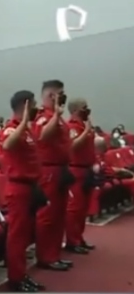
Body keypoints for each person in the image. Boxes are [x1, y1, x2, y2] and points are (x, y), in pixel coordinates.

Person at [0, 91, 47, 292]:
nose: (37, 108)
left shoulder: (27, 130)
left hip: (31, 187)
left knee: (26, 235)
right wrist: (24, 122)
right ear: (25, 106)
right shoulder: (11, 128)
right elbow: (7, 145)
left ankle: (22, 274)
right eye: (34, 104)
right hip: (18, 188)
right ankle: (15, 279)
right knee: (17, 237)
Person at [32, 80, 74, 271]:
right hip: (49, 171)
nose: (63, 97)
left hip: (62, 169)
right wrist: (56, 115)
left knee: (59, 214)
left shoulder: (59, 117)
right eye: (60, 94)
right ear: (51, 96)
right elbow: (42, 135)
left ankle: (54, 254)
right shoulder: (43, 116)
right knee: (48, 216)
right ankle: (45, 256)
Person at [65, 98, 96, 253]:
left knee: (83, 208)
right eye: (84, 107)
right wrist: (85, 132)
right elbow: (73, 145)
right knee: (75, 208)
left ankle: (79, 237)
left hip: (87, 169)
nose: (87, 110)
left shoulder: (84, 125)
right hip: (76, 170)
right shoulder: (71, 126)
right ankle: (72, 241)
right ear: (76, 110)